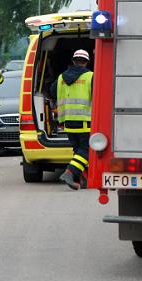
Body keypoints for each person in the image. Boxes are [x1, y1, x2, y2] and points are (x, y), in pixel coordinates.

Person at [51, 49, 93, 190]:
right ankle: (69, 173)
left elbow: (52, 91)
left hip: (67, 121)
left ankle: (81, 180)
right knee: (86, 151)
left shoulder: (61, 77)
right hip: (84, 120)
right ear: (86, 62)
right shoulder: (90, 76)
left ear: (74, 61)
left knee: (78, 151)